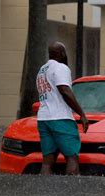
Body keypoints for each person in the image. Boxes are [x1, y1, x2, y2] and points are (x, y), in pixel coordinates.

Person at [35, 41, 89, 175]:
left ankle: (43, 192)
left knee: (47, 160)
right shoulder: (61, 68)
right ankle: (72, 192)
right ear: (62, 53)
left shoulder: (41, 71)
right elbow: (65, 90)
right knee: (72, 157)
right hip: (61, 118)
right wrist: (81, 114)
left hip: (43, 119)